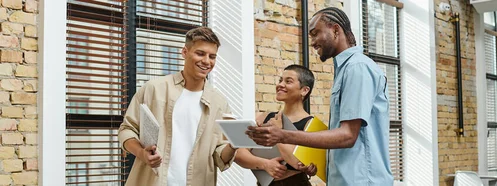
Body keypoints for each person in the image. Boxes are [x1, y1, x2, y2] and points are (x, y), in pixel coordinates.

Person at [247, 7, 393, 186]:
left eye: (315, 33)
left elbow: (348, 135)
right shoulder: (346, 70)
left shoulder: (357, 68)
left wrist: (281, 136)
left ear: (335, 30)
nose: (313, 42)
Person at [118, 27, 237, 186]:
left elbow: (219, 156)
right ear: (184, 52)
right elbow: (127, 129)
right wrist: (141, 153)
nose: (207, 61)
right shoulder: (154, 88)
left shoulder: (219, 103)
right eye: (200, 53)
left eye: (212, 56)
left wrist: (234, 145)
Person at [235, 65, 317, 186]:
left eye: (288, 81)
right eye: (280, 80)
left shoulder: (311, 125)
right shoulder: (264, 117)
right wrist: (265, 164)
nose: (280, 85)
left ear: (304, 90)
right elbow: (239, 154)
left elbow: (297, 163)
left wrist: (278, 132)